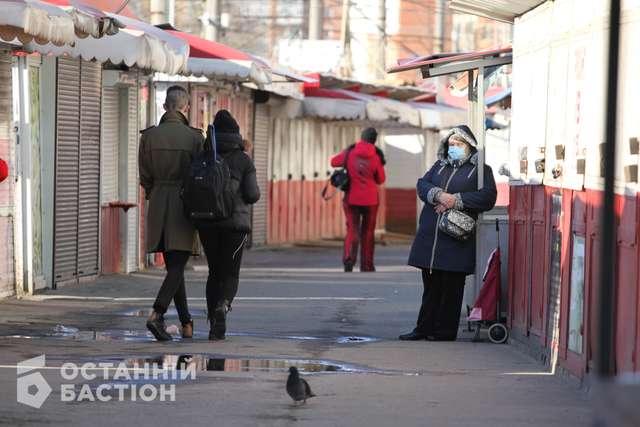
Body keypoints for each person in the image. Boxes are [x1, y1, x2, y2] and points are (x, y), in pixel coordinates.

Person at [399, 125, 497, 341]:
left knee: (451, 287)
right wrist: (438, 195)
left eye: (459, 144)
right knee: (431, 286)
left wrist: (456, 200)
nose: (454, 148)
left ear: (469, 147)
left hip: (455, 236)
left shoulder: (481, 170)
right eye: (451, 144)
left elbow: (488, 197)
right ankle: (423, 328)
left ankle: (444, 331)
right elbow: (422, 185)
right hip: (431, 236)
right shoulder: (439, 166)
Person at [139, 85, 204, 341]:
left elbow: (145, 175)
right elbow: (201, 176)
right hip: (184, 205)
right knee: (178, 265)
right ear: (185, 107)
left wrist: (155, 191)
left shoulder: (149, 137)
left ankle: (186, 322)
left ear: (165, 106)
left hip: (158, 203)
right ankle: (157, 313)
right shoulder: (195, 137)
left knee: (174, 265)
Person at [196, 110, 260, 340]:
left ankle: (213, 322)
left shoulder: (204, 156)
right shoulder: (243, 160)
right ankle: (223, 306)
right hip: (235, 226)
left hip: (207, 223)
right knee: (231, 273)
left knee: (214, 272)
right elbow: (253, 195)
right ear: (236, 134)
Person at [330, 127, 386, 272]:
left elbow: (333, 162)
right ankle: (367, 265)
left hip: (351, 198)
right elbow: (381, 179)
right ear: (374, 140)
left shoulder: (350, 152)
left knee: (352, 229)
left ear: (361, 137)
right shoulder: (376, 156)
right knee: (368, 232)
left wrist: (347, 154)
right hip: (371, 200)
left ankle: (349, 258)